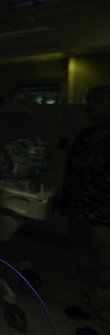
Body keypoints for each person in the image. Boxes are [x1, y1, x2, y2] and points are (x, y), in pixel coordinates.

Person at [58, 85, 110, 335]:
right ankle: (90, 308)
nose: (91, 106)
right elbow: (72, 172)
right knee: (84, 263)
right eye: (89, 101)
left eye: (97, 101)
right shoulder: (85, 136)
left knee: (105, 269)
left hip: (104, 217)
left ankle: (102, 324)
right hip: (80, 211)